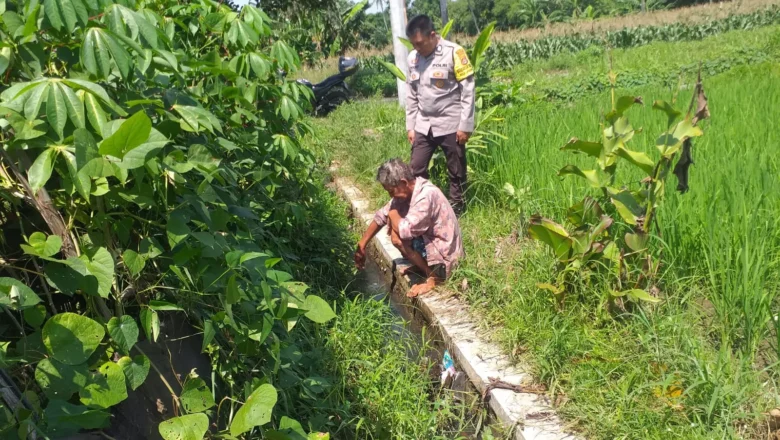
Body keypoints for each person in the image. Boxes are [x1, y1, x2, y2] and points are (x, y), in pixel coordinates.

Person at [354, 159, 464, 298]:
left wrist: (392, 215)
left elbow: (405, 231)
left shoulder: (425, 196)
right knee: (396, 230)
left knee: (398, 238)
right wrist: (362, 245)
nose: (390, 196)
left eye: (391, 191)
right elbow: (381, 216)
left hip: (445, 258)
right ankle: (423, 266)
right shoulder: (407, 192)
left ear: (403, 183)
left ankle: (435, 277)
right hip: (432, 245)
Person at [405, 14, 476, 216]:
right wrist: (411, 126)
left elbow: (468, 91)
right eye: (413, 44)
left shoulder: (454, 53)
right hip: (423, 123)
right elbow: (411, 94)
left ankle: (457, 209)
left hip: (450, 122)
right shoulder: (413, 58)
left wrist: (465, 126)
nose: (417, 48)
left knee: (456, 170)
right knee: (416, 168)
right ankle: (424, 205)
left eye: (420, 43)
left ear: (432, 35)